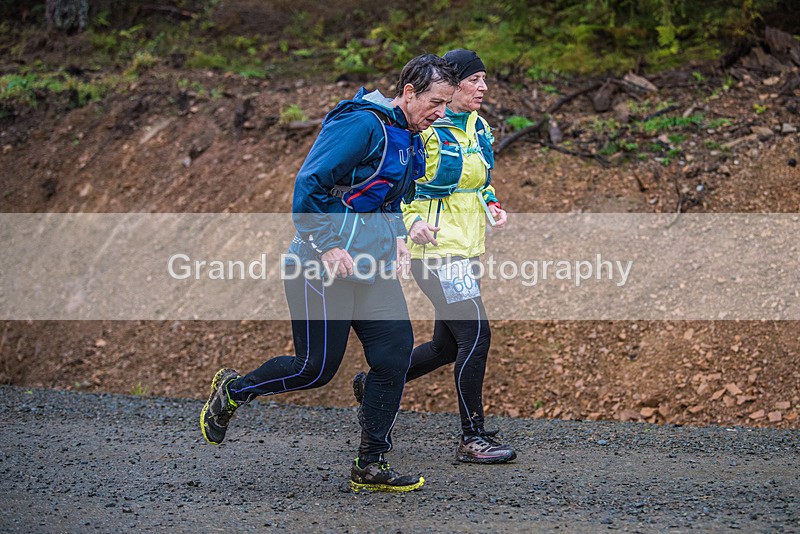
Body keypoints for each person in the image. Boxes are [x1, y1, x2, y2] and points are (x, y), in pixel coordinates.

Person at [200, 54, 460, 493]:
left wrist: (398, 234)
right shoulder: (361, 125)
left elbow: (385, 199)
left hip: (371, 270)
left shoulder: (411, 136)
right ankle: (233, 392)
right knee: (314, 368)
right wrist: (329, 244)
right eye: (436, 102)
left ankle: (370, 463)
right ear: (409, 92)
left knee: (393, 356)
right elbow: (309, 184)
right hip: (318, 264)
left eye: (447, 104)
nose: (442, 113)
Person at [354, 49, 516, 464]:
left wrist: (491, 202)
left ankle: (373, 385)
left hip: (466, 247)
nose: (483, 87)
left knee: (446, 347)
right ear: (451, 83)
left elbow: (478, 181)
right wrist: (407, 228)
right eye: (474, 80)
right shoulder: (425, 127)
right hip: (436, 249)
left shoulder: (478, 127)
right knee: (476, 337)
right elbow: (397, 187)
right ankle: (471, 437)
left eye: (485, 79)